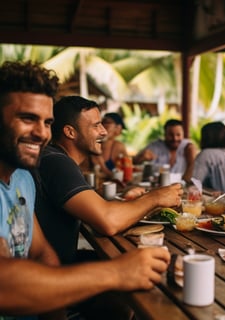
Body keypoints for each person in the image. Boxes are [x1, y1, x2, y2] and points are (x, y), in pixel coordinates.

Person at [0, 61, 171, 319]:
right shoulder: (53, 160)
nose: (41, 133)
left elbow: (42, 253)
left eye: (47, 122)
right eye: (27, 118)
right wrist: (117, 272)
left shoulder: (22, 178)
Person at [91, 112, 128, 178]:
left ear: (118, 128)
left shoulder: (118, 146)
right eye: (101, 122)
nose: (102, 126)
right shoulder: (91, 145)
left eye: (107, 122)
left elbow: (126, 173)